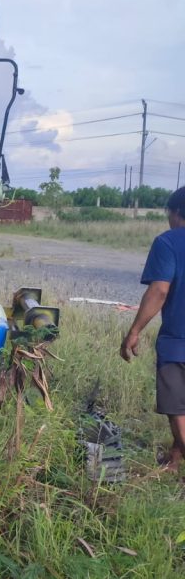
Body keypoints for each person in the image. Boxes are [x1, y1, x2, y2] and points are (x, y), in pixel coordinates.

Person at [121, 186, 185, 472]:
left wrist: (134, 330)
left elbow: (159, 291)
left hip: (179, 341)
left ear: (175, 213)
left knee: (177, 408)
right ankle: (175, 457)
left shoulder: (169, 242)